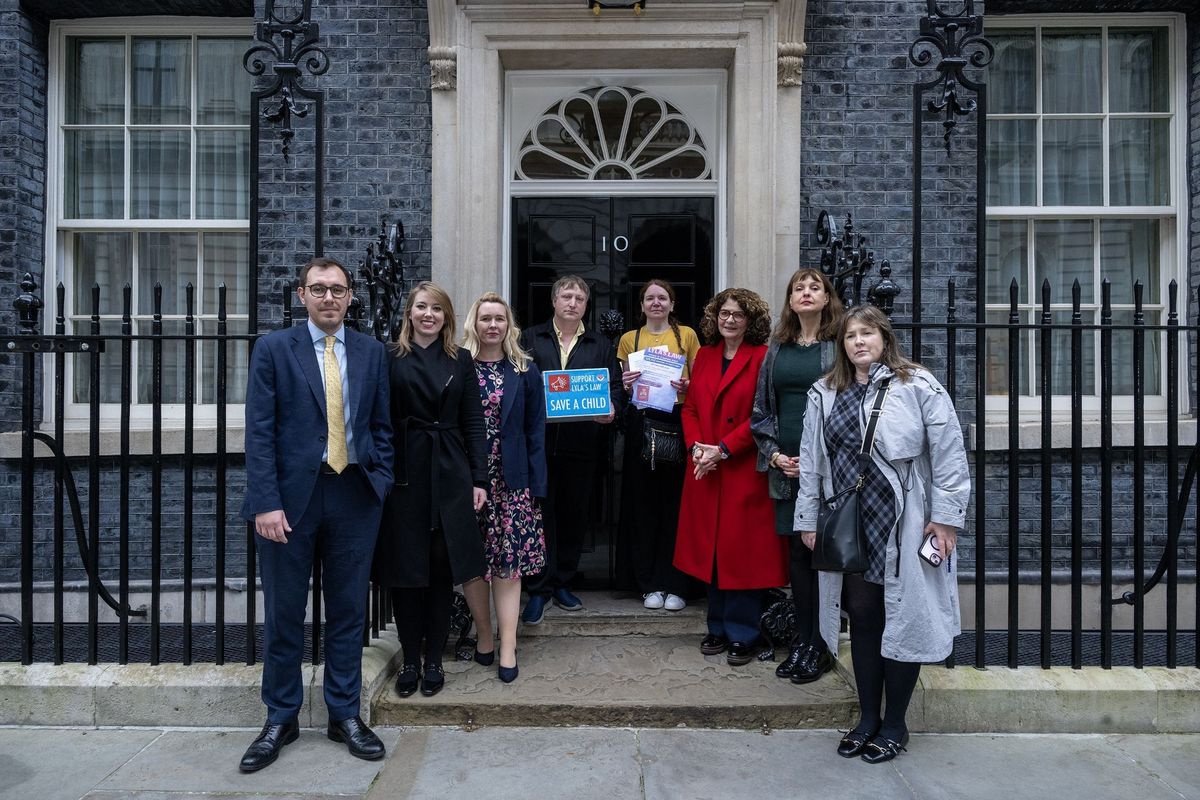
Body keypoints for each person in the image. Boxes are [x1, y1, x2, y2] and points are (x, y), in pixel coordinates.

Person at [795, 304, 969, 763]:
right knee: (866, 618)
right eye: (850, 335)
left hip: (905, 519)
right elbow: (811, 461)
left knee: (904, 618)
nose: (858, 342)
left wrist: (947, 516)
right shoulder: (824, 392)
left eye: (866, 333)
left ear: (884, 337)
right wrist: (808, 519)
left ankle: (896, 724)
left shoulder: (918, 385)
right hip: (850, 521)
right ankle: (868, 718)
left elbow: (949, 450)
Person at [239, 256, 394, 772]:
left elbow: (381, 424)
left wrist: (381, 479)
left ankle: (343, 714)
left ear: (351, 297)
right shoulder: (273, 349)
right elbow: (259, 431)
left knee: (349, 611)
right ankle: (280, 717)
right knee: (285, 612)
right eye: (319, 289)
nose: (329, 298)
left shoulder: (372, 352)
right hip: (288, 503)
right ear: (301, 295)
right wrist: (264, 501)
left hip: (353, 495)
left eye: (338, 290)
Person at [371, 282, 488, 699]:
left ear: (447, 317)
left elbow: (475, 422)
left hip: (451, 470)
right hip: (406, 471)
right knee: (406, 573)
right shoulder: (390, 357)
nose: (428, 315)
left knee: (441, 570)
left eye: (437, 309)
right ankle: (410, 659)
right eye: (422, 307)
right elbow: (377, 419)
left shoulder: (462, 359)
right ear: (409, 312)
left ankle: (435, 658)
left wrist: (480, 479)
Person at [674, 288, 788, 666]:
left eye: (739, 314)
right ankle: (717, 627)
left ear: (750, 320)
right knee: (711, 552)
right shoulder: (704, 356)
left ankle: (744, 633)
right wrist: (697, 449)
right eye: (724, 313)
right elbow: (689, 408)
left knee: (742, 556)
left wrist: (721, 449)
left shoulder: (763, 357)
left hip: (741, 470)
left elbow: (762, 416)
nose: (730, 320)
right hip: (704, 469)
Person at [751, 268, 843, 684]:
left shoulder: (838, 345)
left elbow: (850, 407)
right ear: (790, 300)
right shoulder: (778, 347)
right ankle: (804, 642)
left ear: (826, 298)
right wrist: (774, 456)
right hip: (786, 466)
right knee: (796, 557)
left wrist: (818, 460)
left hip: (826, 468)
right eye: (798, 288)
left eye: (814, 287)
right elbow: (761, 411)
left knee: (820, 554)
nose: (806, 293)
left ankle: (823, 644)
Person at [518, 275, 622, 624]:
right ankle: (538, 588)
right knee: (539, 517)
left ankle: (563, 582)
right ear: (554, 301)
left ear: (586, 305)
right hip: (539, 447)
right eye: (566, 295)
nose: (573, 302)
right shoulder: (530, 338)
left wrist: (612, 410)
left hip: (582, 447)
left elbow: (615, 389)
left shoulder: (600, 345)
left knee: (574, 518)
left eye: (579, 297)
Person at [460, 292, 548, 683]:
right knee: (473, 562)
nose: (492, 325)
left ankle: (508, 644)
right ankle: (483, 636)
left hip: (512, 482)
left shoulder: (525, 370)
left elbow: (535, 431)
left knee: (509, 567)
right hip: (468, 478)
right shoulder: (458, 366)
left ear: (508, 325)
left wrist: (535, 485)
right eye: (485, 319)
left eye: (499, 319)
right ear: (474, 324)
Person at [617, 279, 700, 611]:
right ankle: (648, 584)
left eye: (662, 298)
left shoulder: (688, 336)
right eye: (649, 298)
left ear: (672, 303)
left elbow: (699, 380)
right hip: (642, 421)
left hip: (677, 420)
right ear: (641, 305)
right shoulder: (628, 339)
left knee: (676, 505)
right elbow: (625, 387)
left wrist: (687, 385)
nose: (656, 303)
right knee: (643, 505)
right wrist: (625, 384)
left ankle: (676, 583)